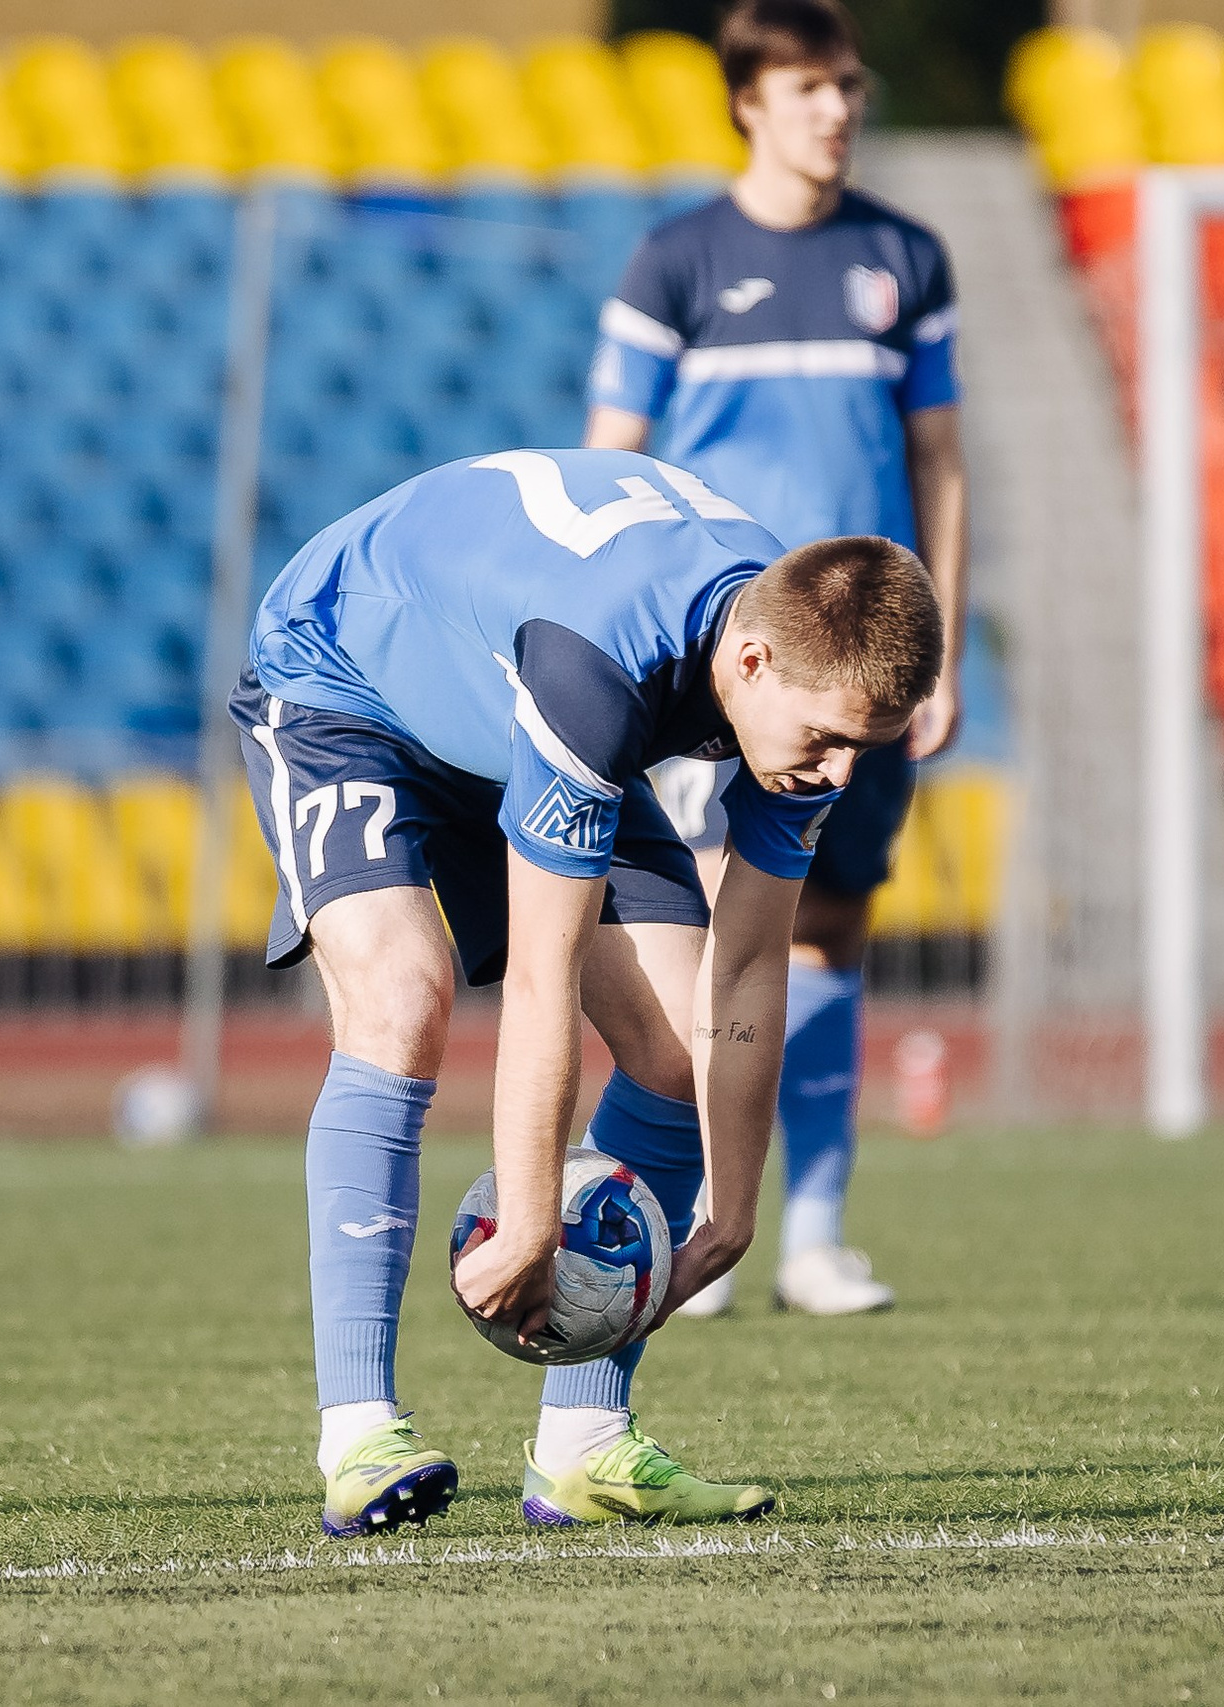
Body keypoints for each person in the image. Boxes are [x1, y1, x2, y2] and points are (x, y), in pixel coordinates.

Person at [233, 447, 942, 1538]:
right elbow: (542, 974)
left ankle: (584, 1446)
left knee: (674, 1047)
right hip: (345, 680)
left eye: (866, 749)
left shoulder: (797, 679)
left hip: (507, 703)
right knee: (403, 996)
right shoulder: (601, 670)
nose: (840, 772)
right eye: (829, 740)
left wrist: (732, 1216)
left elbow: (748, 970)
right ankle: (359, 1436)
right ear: (750, 662)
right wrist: (527, 1223)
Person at [585, 0, 969, 1319]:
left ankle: (812, 1233)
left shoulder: (904, 257)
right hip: (734, 674)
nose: (837, 109)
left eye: (848, 85)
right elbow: (611, 462)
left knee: (835, 928)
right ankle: (697, 1212)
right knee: (714, 928)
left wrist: (935, 656)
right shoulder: (676, 262)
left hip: (865, 669)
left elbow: (940, 462)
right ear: (749, 101)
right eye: (810, 87)